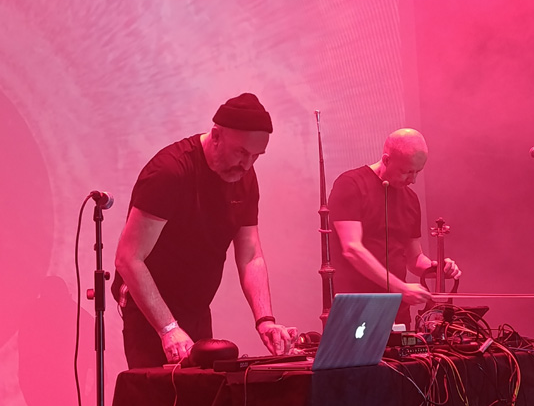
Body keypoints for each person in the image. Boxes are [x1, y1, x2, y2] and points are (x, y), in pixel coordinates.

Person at [113, 93, 295, 368]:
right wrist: (168, 328)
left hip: (196, 308)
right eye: (241, 152)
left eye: (256, 156)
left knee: (200, 392)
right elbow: (128, 258)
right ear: (216, 135)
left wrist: (265, 321)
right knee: (156, 392)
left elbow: (250, 255)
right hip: (150, 312)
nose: (247, 164)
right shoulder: (170, 171)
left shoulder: (244, 176)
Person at [328, 128, 461, 328]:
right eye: (407, 172)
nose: (413, 180)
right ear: (386, 160)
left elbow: (414, 259)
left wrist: (437, 269)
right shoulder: (350, 184)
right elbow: (352, 249)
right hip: (355, 307)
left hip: (397, 310)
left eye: (417, 172)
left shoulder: (410, 199)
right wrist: (401, 288)